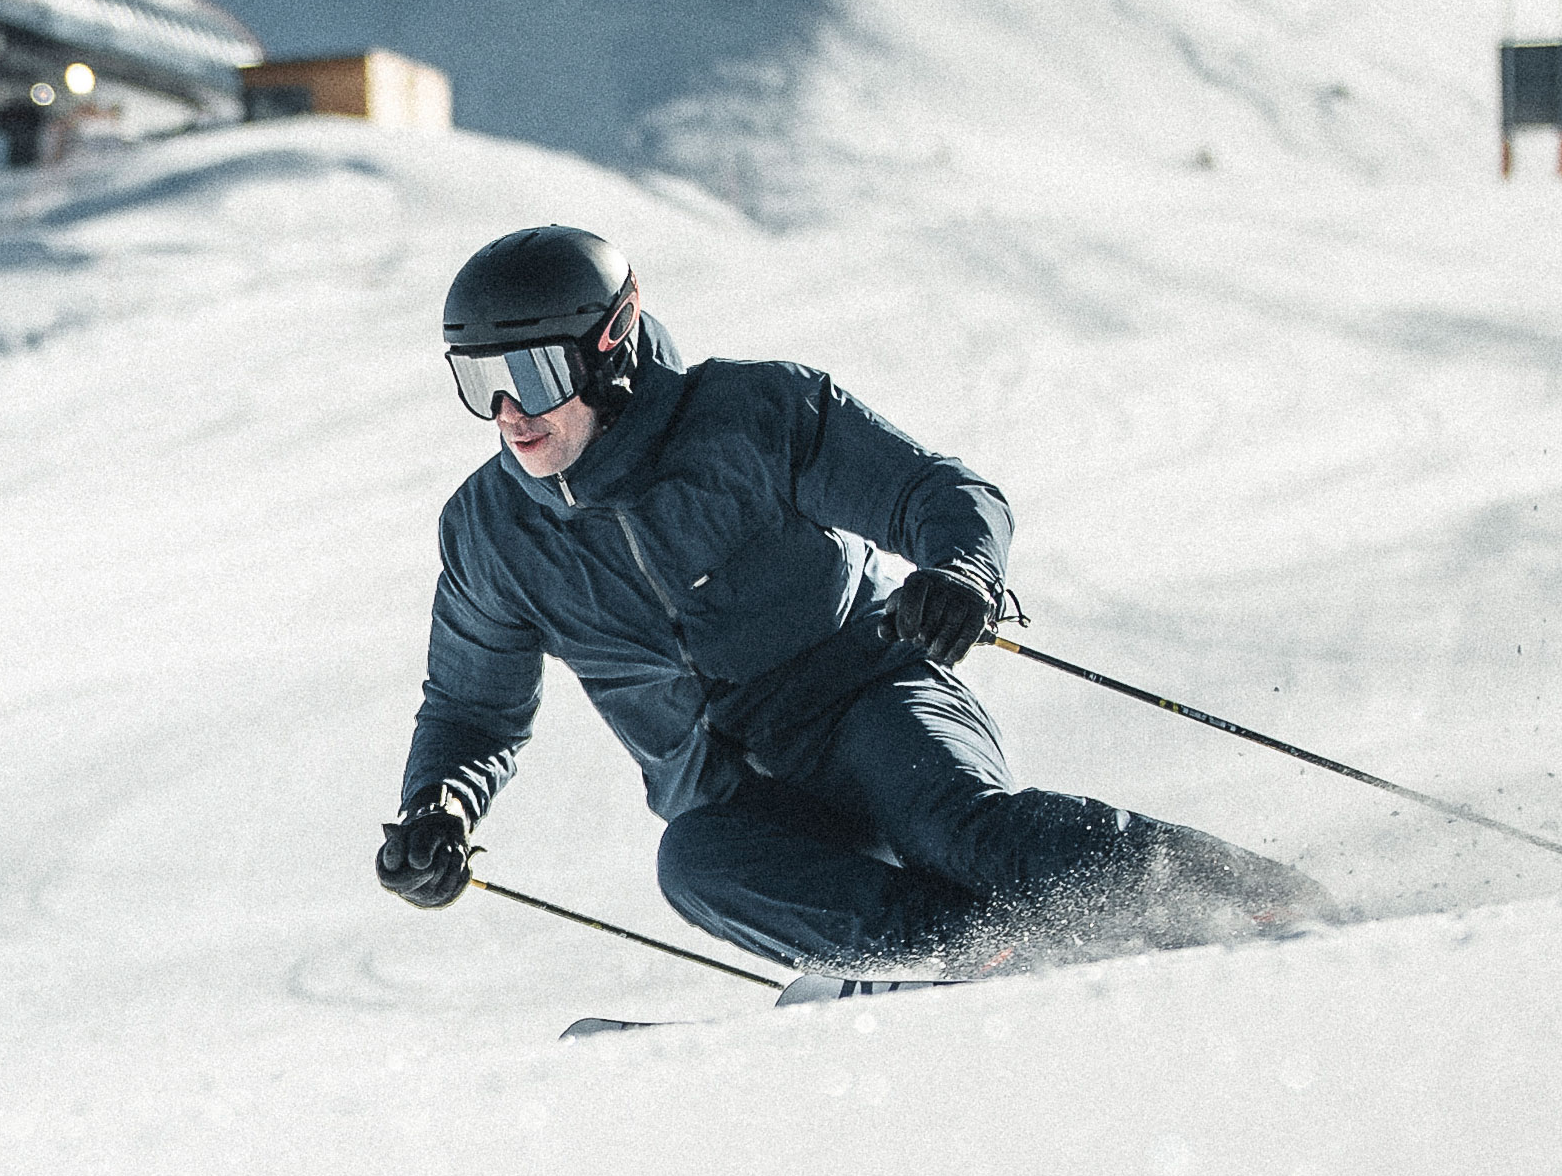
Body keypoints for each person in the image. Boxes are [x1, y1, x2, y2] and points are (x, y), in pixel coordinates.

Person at [374, 225, 1327, 989]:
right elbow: (473, 709)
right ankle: (976, 956)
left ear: (609, 347)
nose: (509, 413)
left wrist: (962, 574)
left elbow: (936, 493)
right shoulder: (492, 532)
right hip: (732, 788)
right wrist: (437, 807)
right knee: (696, 866)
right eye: (478, 383)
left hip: (870, 702)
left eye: (531, 375)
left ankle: (1256, 901)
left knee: (957, 830)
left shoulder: (752, 418)